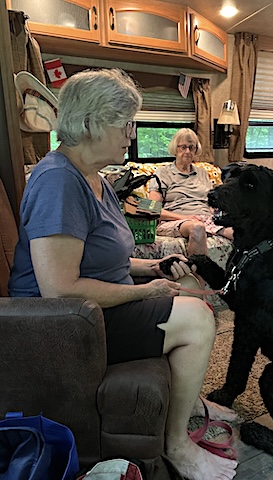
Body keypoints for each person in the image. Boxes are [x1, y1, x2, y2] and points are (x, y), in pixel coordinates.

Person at [8, 69, 237, 480]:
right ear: (91, 123)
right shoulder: (59, 181)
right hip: (67, 326)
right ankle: (177, 445)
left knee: (188, 284)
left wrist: (151, 268)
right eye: (125, 123)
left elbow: (100, 260)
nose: (131, 133)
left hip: (92, 304)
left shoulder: (93, 176)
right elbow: (60, 287)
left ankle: (191, 401)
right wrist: (145, 291)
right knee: (198, 318)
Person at [148, 128, 233, 255]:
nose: (187, 151)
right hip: (176, 220)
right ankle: (196, 273)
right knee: (198, 228)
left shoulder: (203, 173)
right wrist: (185, 217)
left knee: (240, 231)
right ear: (175, 148)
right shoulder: (163, 173)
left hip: (205, 218)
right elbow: (151, 208)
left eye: (191, 147)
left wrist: (221, 216)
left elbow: (210, 204)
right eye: (183, 147)